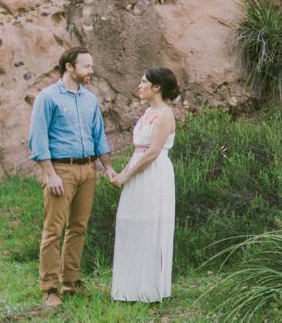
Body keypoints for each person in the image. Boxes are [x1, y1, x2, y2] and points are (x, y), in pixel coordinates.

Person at [28, 46, 117, 310]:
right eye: (87, 66)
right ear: (69, 66)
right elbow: (38, 138)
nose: (91, 71)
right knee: (53, 230)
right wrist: (49, 173)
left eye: (91, 66)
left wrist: (108, 168)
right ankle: (49, 288)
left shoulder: (89, 99)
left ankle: (71, 282)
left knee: (78, 228)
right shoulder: (48, 97)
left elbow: (98, 136)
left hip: (87, 170)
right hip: (60, 171)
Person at [111, 66, 179, 303]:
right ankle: (128, 287)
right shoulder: (146, 113)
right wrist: (122, 173)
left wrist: (126, 176)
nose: (139, 86)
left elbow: (152, 153)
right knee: (130, 220)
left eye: (143, 82)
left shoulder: (165, 115)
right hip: (138, 168)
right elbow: (138, 151)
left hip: (154, 173)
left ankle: (150, 289)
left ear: (157, 87)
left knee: (151, 223)